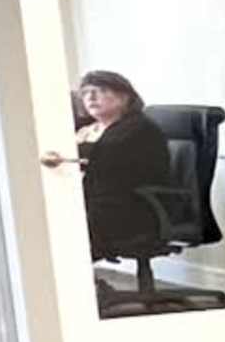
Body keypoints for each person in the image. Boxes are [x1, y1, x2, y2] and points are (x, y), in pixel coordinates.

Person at [72, 69, 171, 266]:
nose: (91, 97)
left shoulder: (137, 128)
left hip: (131, 209)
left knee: (65, 225)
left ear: (124, 96)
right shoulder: (87, 129)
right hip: (98, 202)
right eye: (85, 93)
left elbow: (104, 158)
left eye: (100, 90)